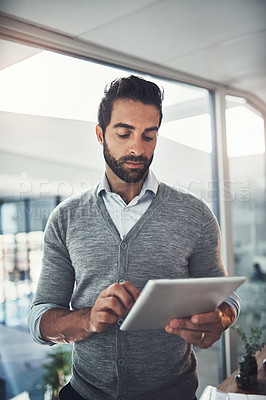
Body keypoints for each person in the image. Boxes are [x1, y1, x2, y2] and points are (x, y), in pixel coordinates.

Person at [28, 75, 240, 400]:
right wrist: (88, 319)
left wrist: (221, 318)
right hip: (85, 394)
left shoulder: (195, 214)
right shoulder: (66, 218)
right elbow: (41, 317)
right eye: (124, 133)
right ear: (100, 134)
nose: (137, 149)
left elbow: (225, 296)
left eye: (149, 136)